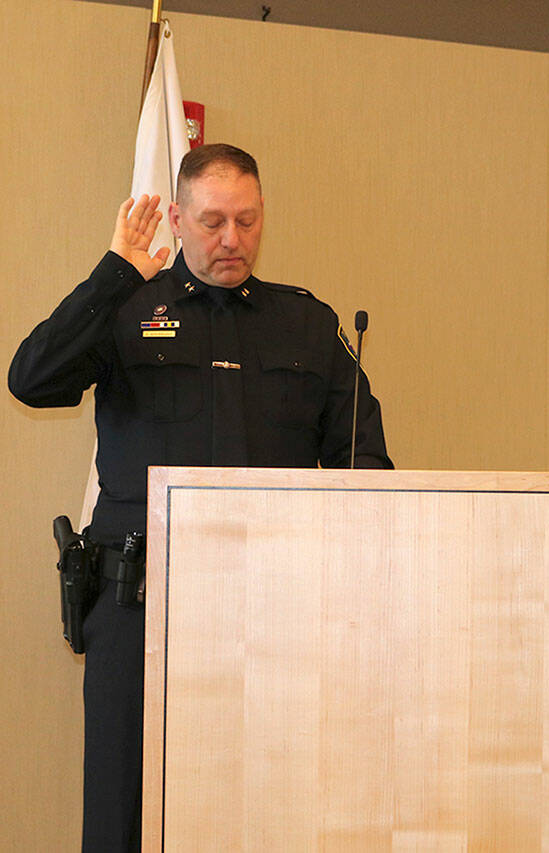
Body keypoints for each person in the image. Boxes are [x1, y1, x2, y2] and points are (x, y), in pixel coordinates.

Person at [9, 143, 393, 852]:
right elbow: (32, 378)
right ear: (178, 220)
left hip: (273, 607)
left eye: (247, 220)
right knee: (121, 810)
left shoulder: (307, 325)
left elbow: (363, 463)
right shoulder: (126, 310)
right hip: (138, 603)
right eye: (213, 221)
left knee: (266, 806)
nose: (232, 239)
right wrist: (114, 274)